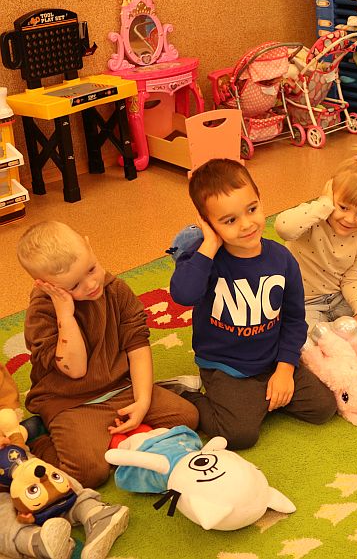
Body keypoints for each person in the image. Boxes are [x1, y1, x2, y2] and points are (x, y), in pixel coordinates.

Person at [16, 221, 199, 488]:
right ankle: (41, 437)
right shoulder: (42, 313)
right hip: (71, 403)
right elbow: (76, 369)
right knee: (88, 474)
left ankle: (118, 426)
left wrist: (143, 401)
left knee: (187, 417)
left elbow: (137, 344)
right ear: (46, 287)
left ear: (89, 246)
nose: (91, 284)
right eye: (74, 286)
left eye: (91, 269)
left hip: (120, 387)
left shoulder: (115, 289)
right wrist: (66, 315)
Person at [170, 158, 336, 450]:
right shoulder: (204, 259)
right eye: (229, 220)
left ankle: (258, 401)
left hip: (272, 360)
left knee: (323, 408)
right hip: (225, 367)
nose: (247, 225)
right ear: (208, 223)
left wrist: (285, 369)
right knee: (239, 435)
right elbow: (183, 294)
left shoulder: (282, 259)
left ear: (260, 200)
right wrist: (209, 244)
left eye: (252, 209)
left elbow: (294, 320)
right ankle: (185, 395)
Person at [275, 139, 357, 370]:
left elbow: (352, 279)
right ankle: (339, 342)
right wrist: (323, 205)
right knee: (299, 342)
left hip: (339, 298)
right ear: (330, 195)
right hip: (305, 305)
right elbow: (283, 228)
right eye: (343, 207)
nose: (349, 219)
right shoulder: (313, 217)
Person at [0, 363, 129, 559]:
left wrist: (10, 432)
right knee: (4, 516)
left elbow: (6, 404)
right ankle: (38, 542)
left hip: (11, 454)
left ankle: (94, 512)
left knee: (45, 475)